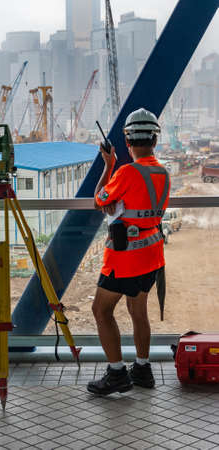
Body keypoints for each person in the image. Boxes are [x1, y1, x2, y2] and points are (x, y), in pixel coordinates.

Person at [87, 108, 170, 396]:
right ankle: (143, 369)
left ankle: (117, 374)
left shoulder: (126, 172)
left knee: (101, 310)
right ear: (154, 140)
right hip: (152, 256)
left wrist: (108, 166)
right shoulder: (163, 173)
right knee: (138, 311)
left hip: (124, 259)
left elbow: (100, 200)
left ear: (127, 140)